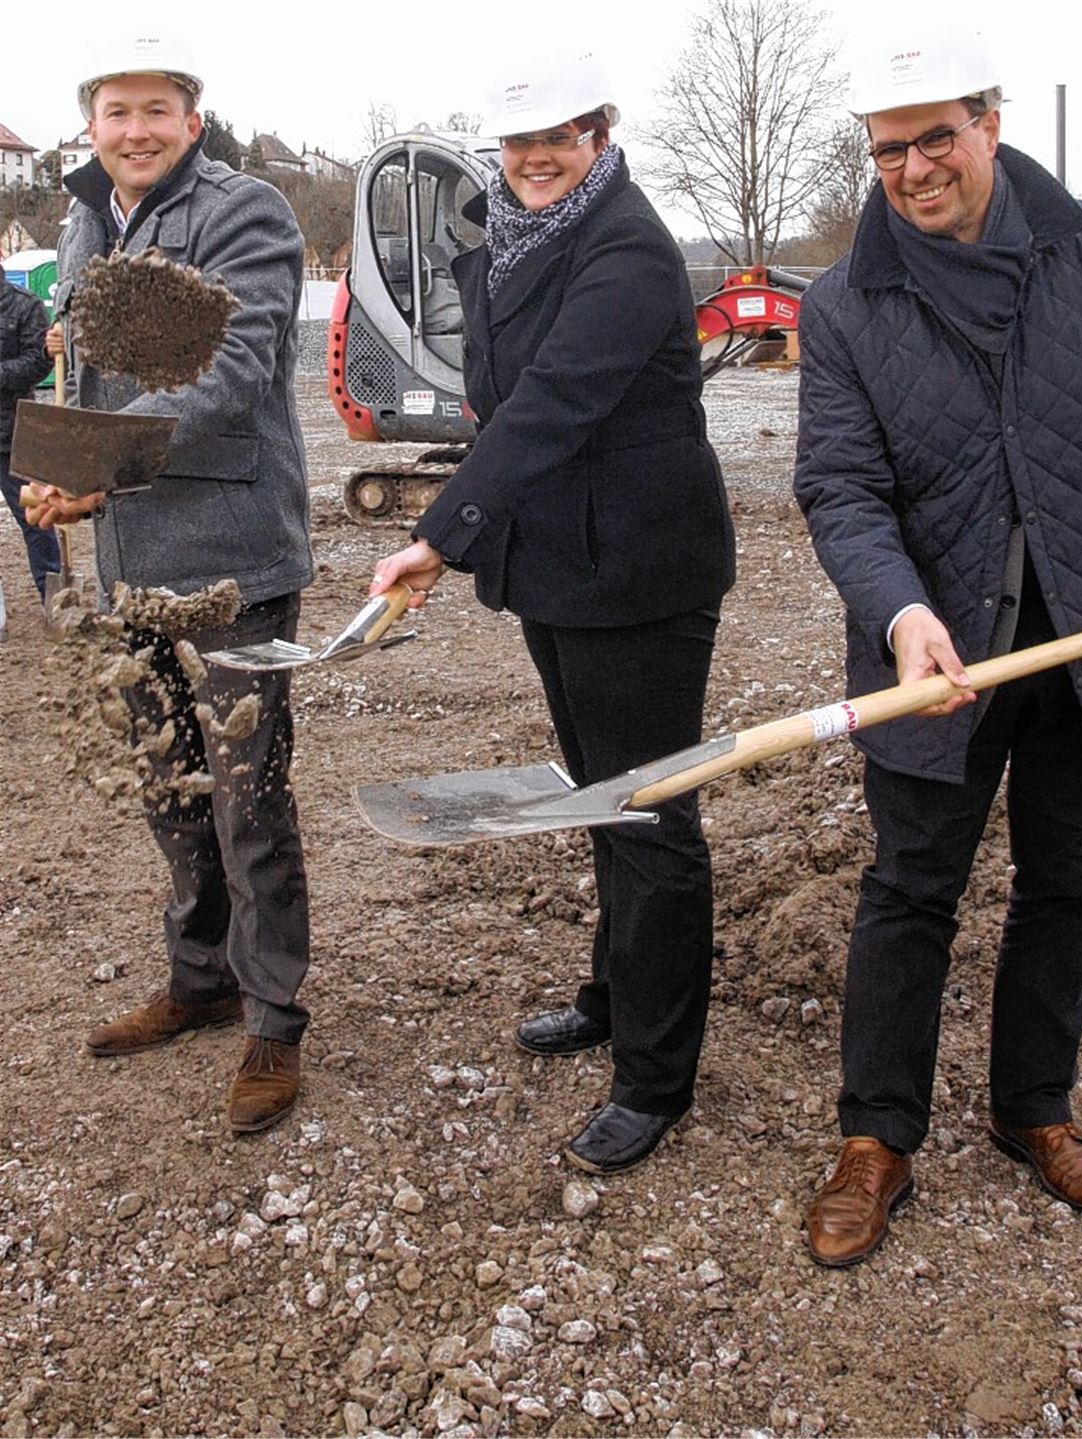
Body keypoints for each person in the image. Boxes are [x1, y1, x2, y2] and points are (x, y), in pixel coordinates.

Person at [793, 20, 1082, 1266]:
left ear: (991, 121)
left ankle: (1033, 1108)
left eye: (937, 137)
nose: (915, 169)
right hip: (931, 664)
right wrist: (900, 612)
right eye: (889, 150)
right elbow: (840, 485)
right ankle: (877, 1136)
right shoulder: (843, 303)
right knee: (909, 889)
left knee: (1068, 883)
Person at [372, 52, 736, 1174]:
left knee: (647, 811)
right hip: (558, 564)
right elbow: (496, 400)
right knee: (595, 796)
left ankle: (655, 1078)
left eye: (559, 138)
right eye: (518, 143)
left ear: (601, 134)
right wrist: (479, 529)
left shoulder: (627, 247)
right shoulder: (503, 246)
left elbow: (551, 406)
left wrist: (439, 534)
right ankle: (615, 995)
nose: (535, 160)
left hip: (640, 572)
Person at [25, 34, 314, 1134]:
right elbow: (83, 372)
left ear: (192, 119)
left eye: (157, 109)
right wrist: (61, 466)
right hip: (130, 562)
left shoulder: (249, 215)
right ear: (89, 123)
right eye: (115, 111)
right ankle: (202, 977)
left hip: (230, 556)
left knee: (248, 799)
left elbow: (233, 377)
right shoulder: (85, 217)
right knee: (169, 786)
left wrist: (96, 470)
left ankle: (275, 1019)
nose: (135, 130)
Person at [0, 268, 60, 602]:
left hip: (13, 435)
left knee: (36, 521)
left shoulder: (25, 306)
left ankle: (54, 599)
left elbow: (40, 364)